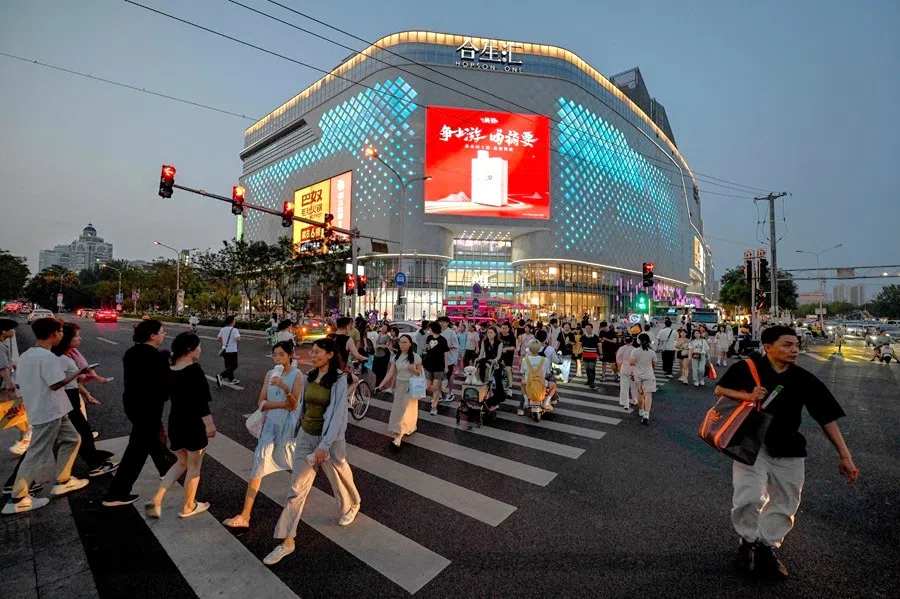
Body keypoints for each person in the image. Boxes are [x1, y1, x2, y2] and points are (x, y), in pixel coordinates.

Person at [714, 325, 859, 579]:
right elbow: (720, 390)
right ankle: (747, 542)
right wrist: (747, 395)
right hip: (750, 442)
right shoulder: (746, 368)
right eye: (787, 345)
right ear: (768, 347)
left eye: (796, 345)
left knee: (786, 502)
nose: (794, 350)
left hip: (790, 448)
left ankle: (766, 546)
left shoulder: (803, 378)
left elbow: (826, 418)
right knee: (747, 498)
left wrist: (844, 455)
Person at [264, 338, 361, 566]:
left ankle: (353, 503)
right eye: (312, 351)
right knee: (296, 488)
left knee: (339, 475)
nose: (313, 355)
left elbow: (338, 415)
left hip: (330, 440)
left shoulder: (338, 380)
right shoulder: (309, 377)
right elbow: (302, 407)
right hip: (307, 438)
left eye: (317, 352)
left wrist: (324, 446)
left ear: (329, 354)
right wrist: (295, 432)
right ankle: (287, 541)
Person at [2, 318, 89, 515]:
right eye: (60, 332)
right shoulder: (46, 357)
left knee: (73, 439)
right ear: (53, 334)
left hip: (52, 409)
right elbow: (56, 384)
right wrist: (78, 372)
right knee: (37, 453)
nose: (61, 335)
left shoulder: (27, 355)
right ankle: (18, 498)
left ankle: (64, 480)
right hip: (48, 411)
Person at [224, 340, 301, 528]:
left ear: (290, 355)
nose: (277, 358)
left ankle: (299, 501)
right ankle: (245, 514)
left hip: (288, 428)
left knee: (297, 465)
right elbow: (261, 402)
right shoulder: (270, 373)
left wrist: (283, 388)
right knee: (258, 464)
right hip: (270, 426)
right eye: (275, 354)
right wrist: (280, 404)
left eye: (281, 354)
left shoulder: (297, 375)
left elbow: (294, 404)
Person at [103, 320, 176, 507]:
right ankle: (116, 494)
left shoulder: (132, 352)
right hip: (149, 406)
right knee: (137, 450)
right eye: (161, 331)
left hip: (133, 404)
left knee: (151, 439)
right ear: (152, 335)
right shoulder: (155, 356)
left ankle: (169, 468)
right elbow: (166, 383)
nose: (163, 334)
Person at [144, 333, 215, 519]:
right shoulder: (194, 370)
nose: (200, 350)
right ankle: (189, 506)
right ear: (190, 350)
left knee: (181, 462)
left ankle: (157, 498)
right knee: (194, 465)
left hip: (175, 421)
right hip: (194, 423)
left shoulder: (170, 369)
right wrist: (209, 424)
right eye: (198, 346)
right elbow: (202, 402)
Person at [51, 323, 118, 477]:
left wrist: (86, 394)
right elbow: (61, 382)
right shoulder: (61, 358)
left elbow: (72, 382)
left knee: (80, 433)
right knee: (80, 433)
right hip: (66, 399)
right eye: (77, 336)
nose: (80, 339)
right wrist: (80, 372)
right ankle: (91, 466)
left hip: (70, 396)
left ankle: (91, 464)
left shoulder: (67, 355)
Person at [375, 334, 423, 448]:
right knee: (398, 408)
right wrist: (380, 385)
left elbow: (420, 373)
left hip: (410, 386)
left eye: (405, 342)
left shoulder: (416, 357)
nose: (402, 344)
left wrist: (414, 370)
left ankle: (399, 436)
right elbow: (391, 373)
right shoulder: (396, 357)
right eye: (401, 342)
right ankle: (406, 427)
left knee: (405, 409)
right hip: (399, 386)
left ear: (410, 344)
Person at [0, 319, 31, 456]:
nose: (14, 331)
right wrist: (9, 382)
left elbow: (5, 365)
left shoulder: (2, 345)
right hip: (3, 385)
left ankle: (27, 436)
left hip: (3, 386)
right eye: (12, 329)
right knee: (13, 411)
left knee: (12, 410)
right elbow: (2, 367)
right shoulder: (0, 346)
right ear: (3, 331)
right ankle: (28, 436)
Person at [519, 339, 556, 415]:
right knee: (554, 386)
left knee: (522, 383)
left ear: (529, 349)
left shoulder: (524, 360)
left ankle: (526, 401)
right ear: (539, 348)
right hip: (542, 383)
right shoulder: (544, 360)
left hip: (528, 383)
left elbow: (522, 372)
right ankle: (546, 402)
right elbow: (548, 373)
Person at [629, 333, 657, 425]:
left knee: (640, 393)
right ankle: (646, 414)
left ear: (638, 341)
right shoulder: (652, 352)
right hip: (649, 375)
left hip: (638, 375)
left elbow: (631, 363)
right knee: (648, 395)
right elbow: (654, 364)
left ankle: (641, 410)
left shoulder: (635, 351)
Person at [422, 322, 449, 416]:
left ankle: (434, 406)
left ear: (433, 329)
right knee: (428, 387)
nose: (428, 330)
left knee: (436, 388)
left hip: (439, 366)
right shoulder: (429, 338)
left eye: (429, 328)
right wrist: (426, 348)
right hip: (428, 365)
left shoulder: (442, 340)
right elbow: (426, 348)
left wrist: (446, 366)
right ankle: (439, 394)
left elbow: (446, 354)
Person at [216, 315, 241, 386]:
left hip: (224, 350)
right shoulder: (234, 330)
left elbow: (218, 338)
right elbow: (238, 339)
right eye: (234, 320)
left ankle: (232, 379)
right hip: (232, 350)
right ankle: (221, 376)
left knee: (228, 366)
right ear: (232, 322)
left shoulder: (222, 329)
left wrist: (225, 341)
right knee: (234, 365)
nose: (235, 322)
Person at [438, 317, 459, 398]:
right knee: (440, 375)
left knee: (449, 375)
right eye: (440, 322)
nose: (441, 324)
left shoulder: (451, 333)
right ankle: (440, 391)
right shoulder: (440, 332)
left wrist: (446, 347)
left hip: (450, 358)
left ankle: (451, 391)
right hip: (440, 357)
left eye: (443, 322)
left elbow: (455, 345)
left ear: (447, 323)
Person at [616, 336, 638, 411]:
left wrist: (619, 369)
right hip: (633, 370)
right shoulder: (634, 349)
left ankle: (625, 403)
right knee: (633, 386)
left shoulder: (621, 348)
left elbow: (618, 360)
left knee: (624, 387)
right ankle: (634, 400)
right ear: (632, 341)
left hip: (624, 368)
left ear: (625, 341)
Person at [497, 321, 517, 397]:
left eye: (505, 328)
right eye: (502, 328)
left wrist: (506, 348)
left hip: (508, 357)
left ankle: (510, 389)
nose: (504, 330)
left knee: (508, 370)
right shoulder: (498, 336)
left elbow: (513, 347)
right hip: (499, 357)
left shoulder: (512, 337)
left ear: (509, 329)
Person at [580, 323, 601, 389]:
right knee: (587, 369)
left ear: (592, 329)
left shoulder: (596, 337)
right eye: (586, 328)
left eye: (589, 328)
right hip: (585, 355)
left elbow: (599, 346)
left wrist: (601, 354)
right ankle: (589, 380)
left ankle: (592, 383)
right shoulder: (583, 337)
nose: (588, 329)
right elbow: (579, 345)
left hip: (593, 356)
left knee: (592, 370)